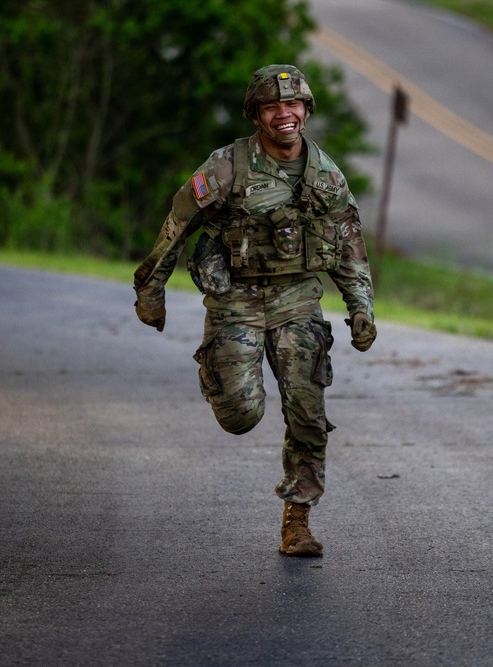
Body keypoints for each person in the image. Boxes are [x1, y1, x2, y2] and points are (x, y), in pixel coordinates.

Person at [133, 64, 376, 558]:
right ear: (256, 114)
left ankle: (297, 521)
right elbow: (178, 222)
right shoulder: (227, 166)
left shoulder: (326, 176)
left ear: (306, 110)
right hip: (235, 300)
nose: (283, 114)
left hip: (297, 299)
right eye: (272, 107)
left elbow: (349, 244)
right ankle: (220, 375)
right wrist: (151, 288)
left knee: (307, 410)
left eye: (293, 105)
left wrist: (362, 309)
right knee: (240, 415)